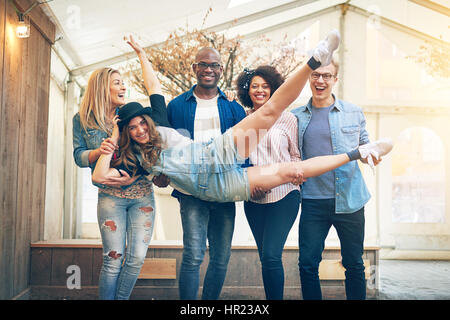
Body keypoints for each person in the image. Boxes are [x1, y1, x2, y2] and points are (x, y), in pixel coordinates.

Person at [72, 36, 163, 300]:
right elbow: (78, 157)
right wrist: (98, 152)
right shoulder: (83, 120)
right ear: (103, 87)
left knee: (135, 258)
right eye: (117, 83)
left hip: (142, 196)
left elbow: (149, 148)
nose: (123, 86)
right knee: (113, 259)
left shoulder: (132, 116)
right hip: (110, 197)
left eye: (124, 83)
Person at [291, 57, 379, 300]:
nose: (320, 80)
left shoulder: (353, 111)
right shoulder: (295, 116)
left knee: (354, 264)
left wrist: (372, 155)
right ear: (309, 78)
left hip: (350, 199)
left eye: (326, 76)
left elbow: (364, 147)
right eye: (316, 75)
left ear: (335, 79)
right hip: (312, 200)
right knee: (307, 264)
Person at [165, 46, 247, 300]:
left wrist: (246, 178)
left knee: (221, 257)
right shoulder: (177, 106)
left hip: (224, 186)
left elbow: (244, 148)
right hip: (190, 189)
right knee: (193, 254)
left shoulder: (233, 108)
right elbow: (166, 145)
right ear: (194, 69)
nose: (208, 70)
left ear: (221, 70)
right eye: (203, 64)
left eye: (213, 65)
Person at [234, 65, 301, 299]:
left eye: (265, 86)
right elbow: (236, 157)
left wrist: (292, 178)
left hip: (285, 195)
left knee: (272, 255)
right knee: (265, 257)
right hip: (253, 197)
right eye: (255, 86)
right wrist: (251, 185)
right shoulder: (242, 119)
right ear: (248, 91)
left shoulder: (288, 119)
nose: (260, 90)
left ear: (274, 89)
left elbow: (295, 157)